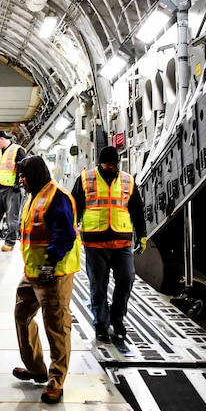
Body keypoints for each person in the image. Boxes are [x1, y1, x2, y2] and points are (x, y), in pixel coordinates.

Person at [10, 156, 82, 404]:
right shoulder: (35, 195)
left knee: (57, 327)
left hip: (54, 273)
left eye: (23, 176)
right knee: (22, 315)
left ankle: (56, 381)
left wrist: (51, 263)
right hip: (32, 273)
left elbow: (65, 234)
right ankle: (36, 368)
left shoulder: (57, 197)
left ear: (35, 174)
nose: (21, 180)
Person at [70, 146, 147, 343]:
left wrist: (142, 235)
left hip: (122, 242)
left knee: (126, 279)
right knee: (98, 286)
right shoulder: (86, 179)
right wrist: (69, 232)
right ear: (100, 163)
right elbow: (74, 207)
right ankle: (101, 326)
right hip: (95, 243)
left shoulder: (128, 180)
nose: (111, 167)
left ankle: (117, 319)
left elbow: (137, 209)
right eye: (108, 164)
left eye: (114, 164)